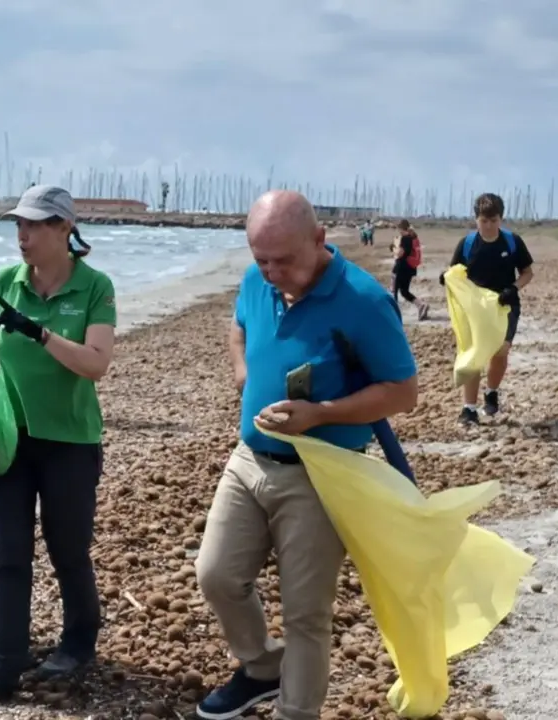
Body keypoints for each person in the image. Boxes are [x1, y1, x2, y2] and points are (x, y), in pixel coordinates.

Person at [195, 190, 418, 720]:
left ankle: (297, 711)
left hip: (322, 474)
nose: (271, 272)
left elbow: (403, 391)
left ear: (319, 241)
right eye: (260, 259)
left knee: (306, 616)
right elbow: (240, 325)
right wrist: (243, 371)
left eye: (284, 260)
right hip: (250, 459)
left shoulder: (362, 301)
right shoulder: (257, 281)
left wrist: (320, 414)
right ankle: (261, 667)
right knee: (216, 575)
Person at [0, 185, 116, 707]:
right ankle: (0, 664)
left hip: (70, 440)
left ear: (64, 229)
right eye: (18, 225)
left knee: (67, 549)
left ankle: (78, 641)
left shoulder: (95, 287)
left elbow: (96, 363)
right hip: (10, 439)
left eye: (34, 225)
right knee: (7, 553)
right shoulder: (6, 281)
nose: (22, 234)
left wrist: (41, 334)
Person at [438, 193, 535, 424]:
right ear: (476, 220)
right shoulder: (468, 244)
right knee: (473, 354)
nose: (489, 226)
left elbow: (527, 272)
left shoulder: (512, 242)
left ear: (501, 219)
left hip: (504, 305)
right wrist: (445, 278)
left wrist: (514, 288)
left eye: (494, 220)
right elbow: (455, 273)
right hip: (475, 309)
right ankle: (468, 409)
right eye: (484, 221)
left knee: (500, 352)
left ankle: (491, 392)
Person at [391, 219, 429, 320]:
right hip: (409, 268)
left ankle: (394, 314)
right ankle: (420, 305)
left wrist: (394, 250)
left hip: (401, 268)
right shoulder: (413, 237)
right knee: (404, 291)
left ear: (401, 228)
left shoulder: (404, 238)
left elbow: (400, 254)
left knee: (394, 291)